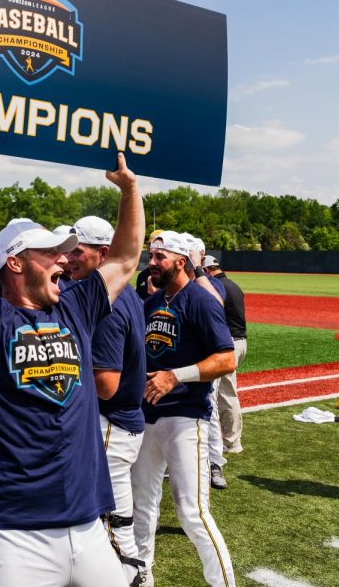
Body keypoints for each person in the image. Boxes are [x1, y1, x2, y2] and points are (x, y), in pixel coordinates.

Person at [0, 137, 144, 587]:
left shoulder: (75, 308)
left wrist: (128, 190)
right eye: (51, 252)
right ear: (15, 263)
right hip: (13, 532)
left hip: (88, 524)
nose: (65, 258)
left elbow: (125, 257)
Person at [132, 232, 236, 587]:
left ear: (181, 261)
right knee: (141, 506)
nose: (153, 262)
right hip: (147, 417)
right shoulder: (152, 302)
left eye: (160, 256)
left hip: (185, 416)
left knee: (193, 513)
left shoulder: (200, 301)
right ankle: (141, 576)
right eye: (152, 255)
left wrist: (176, 376)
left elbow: (226, 359)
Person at [73, 215, 148, 585]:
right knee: (119, 521)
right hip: (123, 424)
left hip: (110, 424)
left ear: (103, 254)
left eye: (77, 250)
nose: (68, 257)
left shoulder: (109, 303)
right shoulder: (127, 293)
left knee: (113, 526)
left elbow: (106, 384)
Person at [205, 258, 246, 464]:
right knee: (229, 392)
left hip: (227, 343)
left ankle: (222, 442)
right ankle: (233, 441)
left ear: (208, 270)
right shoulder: (234, 285)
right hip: (241, 341)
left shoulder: (217, 286)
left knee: (215, 394)